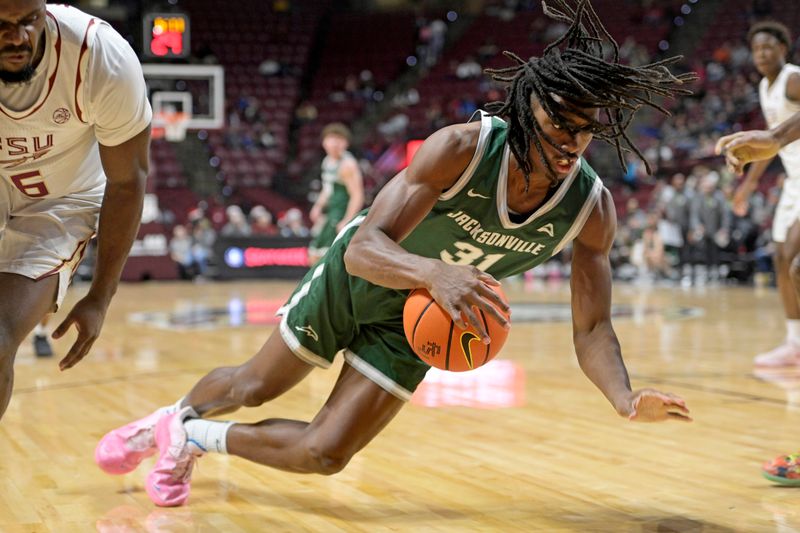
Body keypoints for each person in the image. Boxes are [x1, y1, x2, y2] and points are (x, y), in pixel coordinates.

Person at [94, 0, 693, 508]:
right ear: (526, 106)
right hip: (362, 276)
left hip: (418, 322)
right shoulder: (461, 148)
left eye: (584, 127)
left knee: (325, 454)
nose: (571, 140)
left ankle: (192, 437)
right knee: (254, 385)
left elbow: (592, 328)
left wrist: (624, 398)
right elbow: (361, 248)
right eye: (558, 121)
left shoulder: (590, 207)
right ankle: (168, 418)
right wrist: (434, 274)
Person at [0, 1, 151, 420]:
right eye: (2, 25)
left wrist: (101, 296)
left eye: (29, 20)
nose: (18, 37)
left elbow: (127, 181)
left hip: (59, 201)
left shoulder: (99, 55)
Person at [716, 22, 800, 367]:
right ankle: (795, 343)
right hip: (794, 180)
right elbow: (768, 145)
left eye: (769, 47)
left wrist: (776, 138)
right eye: (756, 49)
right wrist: (747, 186)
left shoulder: (793, 79)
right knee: (782, 261)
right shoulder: (766, 88)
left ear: (784, 48)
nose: (762, 54)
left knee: (796, 264)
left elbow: (775, 138)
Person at [307, 123, 364, 264]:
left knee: (328, 257)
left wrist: (347, 220)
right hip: (332, 212)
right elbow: (328, 188)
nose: (334, 144)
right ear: (324, 142)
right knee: (314, 256)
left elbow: (357, 195)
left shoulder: (347, 165)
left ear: (346, 143)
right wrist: (318, 206)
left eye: (339, 140)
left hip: (341, 213)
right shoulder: (327, 161)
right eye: (331, 139)